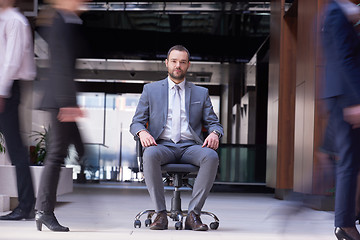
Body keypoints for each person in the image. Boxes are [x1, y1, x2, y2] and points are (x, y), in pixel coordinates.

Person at [130, 45, 223, 231]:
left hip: (190, 147)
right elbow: (136, 122)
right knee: (149, 154)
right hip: (162, 145)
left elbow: (214, 123)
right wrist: (142, 132)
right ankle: (161, 214)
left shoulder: (201, 93)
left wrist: (215, 133)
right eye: (174, 61)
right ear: (166, 63)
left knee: (211, 156)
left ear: (188, 65)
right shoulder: (151, 90)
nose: (177, 65)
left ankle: (193, 214)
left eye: (182, 62)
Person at [34, 0, 86, 232]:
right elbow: (61, 65)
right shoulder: (60, 22)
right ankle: (44, 211)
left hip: (60, 98)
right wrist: (68, 103)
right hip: (60, 100)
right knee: (56, 156)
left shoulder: (64, 21)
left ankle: (43, 211)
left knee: (75, 151)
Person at [322, 0, 360, 239]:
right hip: (346, 99)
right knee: (349, 163)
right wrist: (355, 101)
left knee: (351, 162)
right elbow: (344, 59)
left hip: (344, 97)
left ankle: (348, 217)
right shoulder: (335, 11)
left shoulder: (340, 10)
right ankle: (344, 224)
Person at [0, 0, 36, 221]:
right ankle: (26, 205)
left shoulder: (15, 21)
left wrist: (2, 92)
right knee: (15, 149)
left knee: (15, 150)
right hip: (4, 88)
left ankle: (25, 206)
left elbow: (11, 61)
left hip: (8, 89)